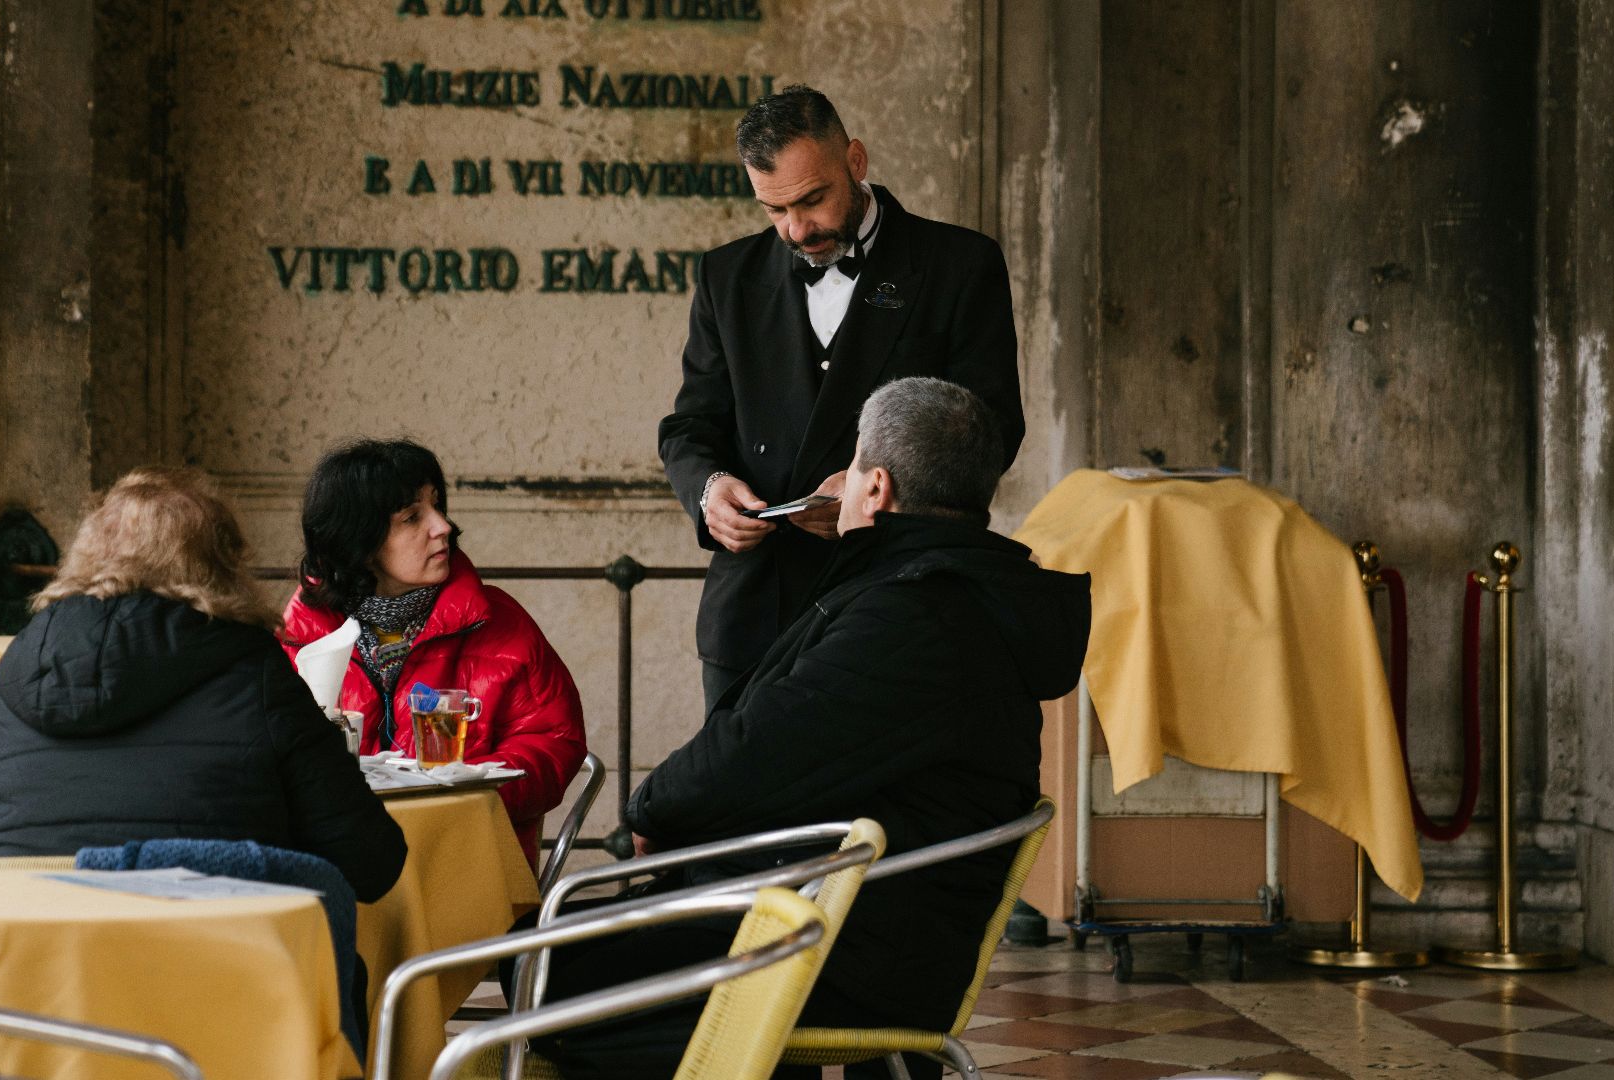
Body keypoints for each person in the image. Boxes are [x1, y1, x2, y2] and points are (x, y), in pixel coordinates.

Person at [528, 378, 1089, 1080]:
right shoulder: (947, 593)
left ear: (876, 487)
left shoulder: (914, 618)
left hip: (846, 945)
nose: (841, 482)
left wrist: (652, 806)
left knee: (547, 971)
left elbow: (752, 752)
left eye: (852, 466)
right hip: (854, 915)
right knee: (554, 953)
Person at [659, 84, 1025, 710]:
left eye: (813, 199)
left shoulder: (961, 265)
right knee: (748, 806)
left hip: (898, 602)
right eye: (774, 210)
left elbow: (992, 429)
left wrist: (875, 488)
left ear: (856, 162)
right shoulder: (726, 276)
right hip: (754, 617)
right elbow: (691, 424)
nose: (797, 230)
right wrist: (709, 490)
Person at [0, 467, 407, 904]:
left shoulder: (5, 688)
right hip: (218, 970)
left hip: (30, 968)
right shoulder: (256, 676)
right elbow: (371, 864)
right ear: (223, 566)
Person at [280, 438, 587, 861]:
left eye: (437, 505)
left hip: (465, 859)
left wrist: (469, 791)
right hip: (338, 862)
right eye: (412, 517)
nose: (442, 526)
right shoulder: (299, 635)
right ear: (358, 540)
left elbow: (553, 740)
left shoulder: (499, 619)